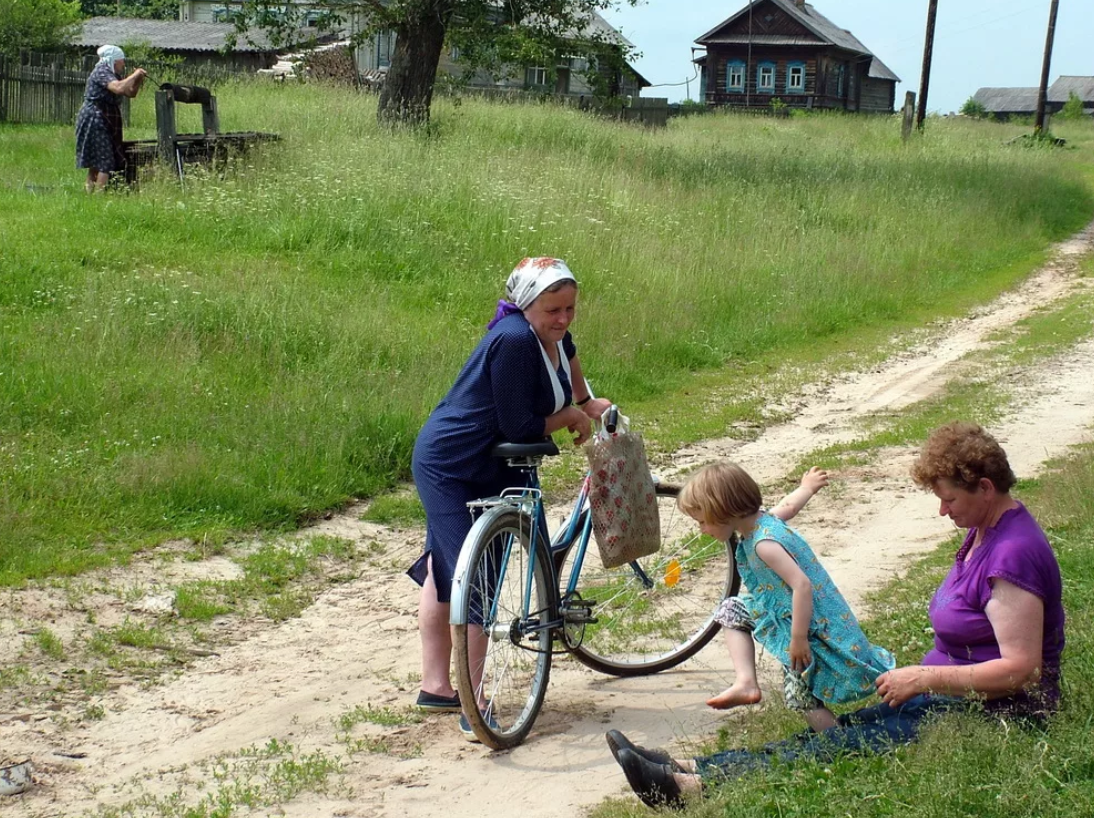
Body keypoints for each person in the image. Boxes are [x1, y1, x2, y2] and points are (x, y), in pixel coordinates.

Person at [607, 421, 1065, 809]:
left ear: (985, 488)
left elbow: (1022, 671)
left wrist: (925, 678)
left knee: (851, 744)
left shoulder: (1012, 555)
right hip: (954, 696)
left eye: (949, 499)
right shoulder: (986, 530)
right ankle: (687, 768)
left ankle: (694, 787)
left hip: (997, 710)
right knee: (849, 730)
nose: (942, 509)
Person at [408, 257, 612, 734]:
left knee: (451, 567)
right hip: (454, 463)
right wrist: (572, 419)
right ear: (526, 305)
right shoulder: (516, 340)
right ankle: (471, 702)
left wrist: (585, 400)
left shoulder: (549, 336)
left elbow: (570, 358)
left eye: (569, 308)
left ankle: (438, 685)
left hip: (499, 461)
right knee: (472, 578)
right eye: (552, 309)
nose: (562, 319)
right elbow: (521, 424)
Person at [678, 462, 894, 733]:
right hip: (783, 613)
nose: (701, 529)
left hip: (808, 627)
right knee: (731, 609)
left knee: (803, 697)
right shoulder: (763, 522)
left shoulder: (764, 545)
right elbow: (790, 506)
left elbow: (801, 586)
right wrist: (807, 488)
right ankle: (746, 682)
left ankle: (837, 740)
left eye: (702, 521)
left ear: (722, 510)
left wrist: (798, 639)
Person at [75, 45, 147, 192]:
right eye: (122, 61)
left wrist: (138, 79)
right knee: (104, 161)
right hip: (95, 117)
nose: (123, 64)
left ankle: (90, 196)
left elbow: (130, 93)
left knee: (97, 162)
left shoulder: (113, 74)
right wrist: (134, 75)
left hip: (105, 116)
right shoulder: (102, 71)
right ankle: (98, 197)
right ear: (113, 60)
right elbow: (118, 88)